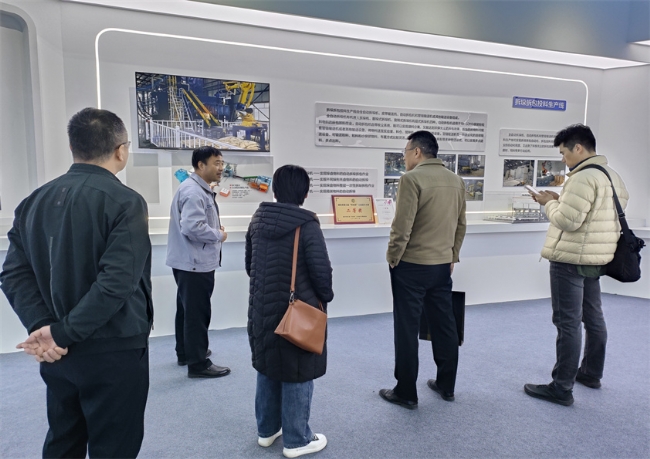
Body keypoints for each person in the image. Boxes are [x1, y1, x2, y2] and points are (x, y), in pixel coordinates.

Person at [0, 107, 153, 458]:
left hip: (57, 351)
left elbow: (13, 274)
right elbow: (117, 283)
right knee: (114, 445)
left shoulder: (32, 202)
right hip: (112, 347)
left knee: (64, 438)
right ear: (121, 151)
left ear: (73, 147)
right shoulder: (126, 202)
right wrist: (60, 333)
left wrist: (45, 328)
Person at [524, 124, 629, 406]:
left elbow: (567, 221)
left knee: (567, 323)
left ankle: (561, 387)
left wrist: (547, 203)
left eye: (564, 153)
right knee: (594, 318)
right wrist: (560, 200)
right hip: (596, 259)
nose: (563, 159)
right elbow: (597, 215)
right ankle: (591, 374)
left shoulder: (582, 178)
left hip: (570, 260)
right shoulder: (612, 176)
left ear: (578, 148)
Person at [245, 165, 334, 458]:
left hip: (260, 308)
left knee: (268, 366)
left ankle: (267, 431)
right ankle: (297, 440)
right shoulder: (307, 225)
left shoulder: (257, 220)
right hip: (297, 311)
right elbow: (321, 273)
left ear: (275, 190)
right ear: (304, 193)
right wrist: (326, 297)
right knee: (297, 370)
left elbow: (250, 266)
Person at [380, 130, 467, 409]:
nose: (404, 158)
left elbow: (402, 226)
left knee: (406, 328)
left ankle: (406, 392)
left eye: (405, 152)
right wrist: (452, 256)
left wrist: (393, 257)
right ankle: (446, 385)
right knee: (444, 325)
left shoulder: (411, 179)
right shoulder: (456, 180)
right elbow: (461, 225)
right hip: (442, 266)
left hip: (411, 266)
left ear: (417, 152)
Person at [166, 146, 231, 378]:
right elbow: (192, 227)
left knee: (186, 310)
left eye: (222, 163)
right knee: (197, 314)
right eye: (216, 163)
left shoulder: (195, 188)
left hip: (188, 261)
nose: (221, 168)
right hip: (194, 262)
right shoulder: (194, 191)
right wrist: (218, 235)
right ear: (200, 165)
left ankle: (186, 352)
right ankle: (198, 363)